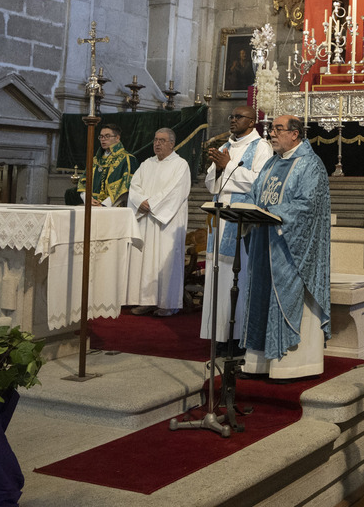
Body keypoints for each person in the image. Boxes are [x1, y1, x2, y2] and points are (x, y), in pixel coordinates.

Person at [240, 115, 331, 379]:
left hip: (292, 250)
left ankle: (290, 366)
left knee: (284, 297)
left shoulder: (310, 165)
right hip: (264, 243)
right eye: (271, 129)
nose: (271, 134)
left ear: (295, 134)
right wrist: (245, 207)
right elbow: (255, 193)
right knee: (259, 296)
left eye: (278, 129)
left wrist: (272, 211)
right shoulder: (271, 163)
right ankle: (258, 364)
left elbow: (308, 206)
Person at [200, 104, 273, 344]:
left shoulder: (261, 147)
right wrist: (220, 169)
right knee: (216, 278)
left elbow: (261, 183)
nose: (232, 120)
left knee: (237, 278)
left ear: (252, 122)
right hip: (220, 222)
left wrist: (227, 167)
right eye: (231, 116)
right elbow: (212, 186)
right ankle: (218, 337)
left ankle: (238, 337)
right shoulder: (225, 146)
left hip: (243, 224)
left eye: (238, 117)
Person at [126, 128, 192, 317]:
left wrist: (152, 203)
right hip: (146, 219)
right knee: (145, 261)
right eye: (155, 140)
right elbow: (134, 186)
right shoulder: (147, 164)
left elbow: (176, 191)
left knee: (166, 260)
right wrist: (140, 202)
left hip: (166, 222)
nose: (157, 143)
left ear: (172, 143)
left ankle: (168, 303)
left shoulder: (180, 165)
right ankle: (146, 300)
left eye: (162, 140)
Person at [79, 123, 136, 206]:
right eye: (101, 136)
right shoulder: (95, 160)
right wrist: (87, 199)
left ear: (117, 138)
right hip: (91, 206)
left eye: (107, 136)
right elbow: (83, 182)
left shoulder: (127, 159)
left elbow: (126, 188)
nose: (103, 139)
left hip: (114, 208)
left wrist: (104, 205)